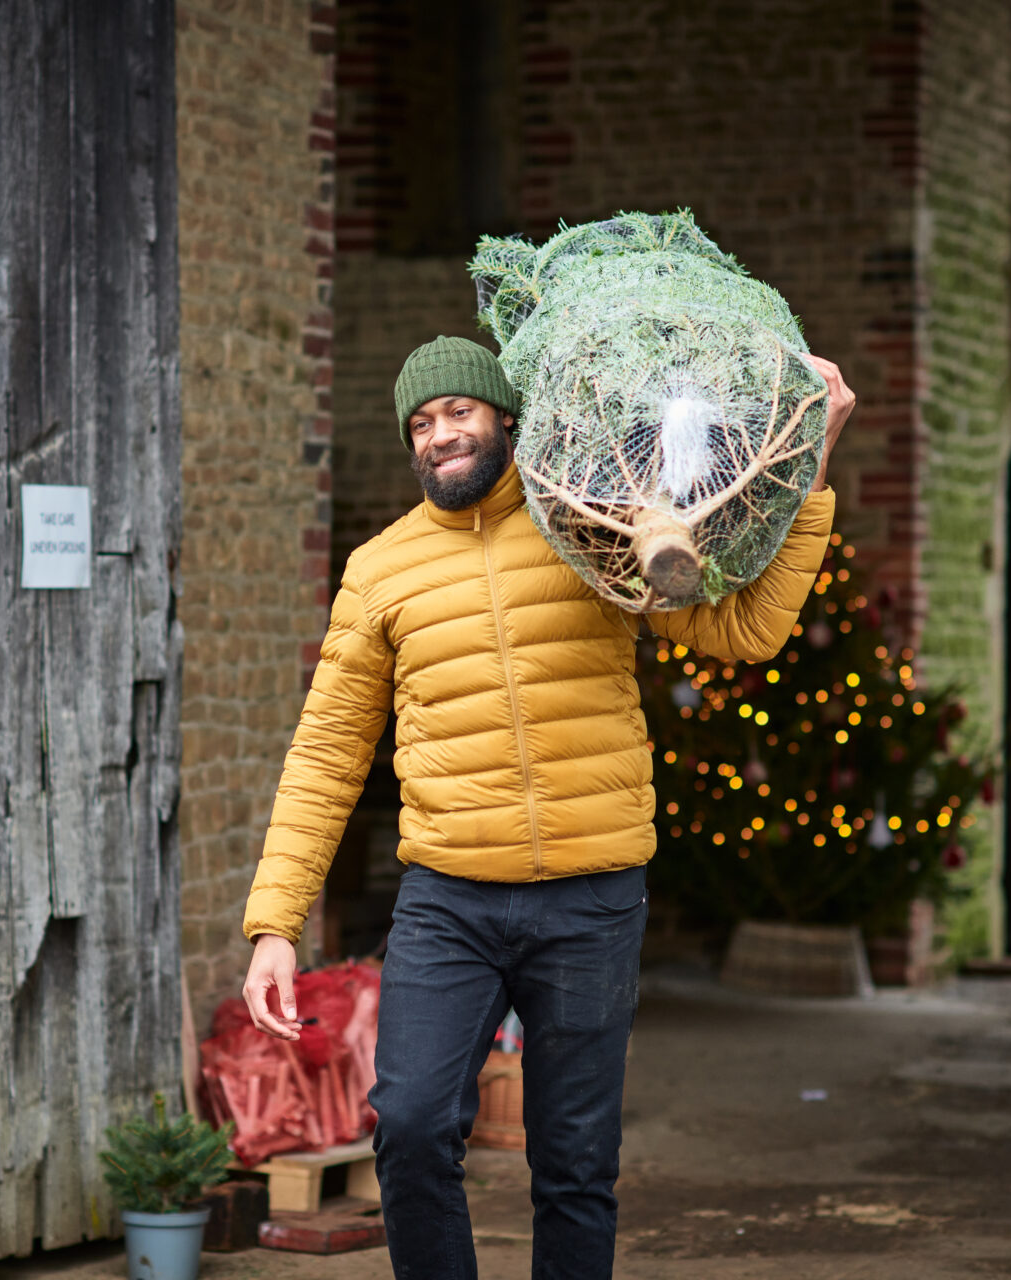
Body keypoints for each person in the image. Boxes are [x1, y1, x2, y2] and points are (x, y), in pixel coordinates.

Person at [240, 335, 854, 1279]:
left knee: (572, 1163)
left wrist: (812, 465)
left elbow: (745, 630)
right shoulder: (380, 571)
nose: (440, 436)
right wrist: (276, 923)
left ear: (506, 420)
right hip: (449, 900)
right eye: (420, 423)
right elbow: (327, 751)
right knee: (407, 1129)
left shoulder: (594, 524)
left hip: (591, 897)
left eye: (459, 412)